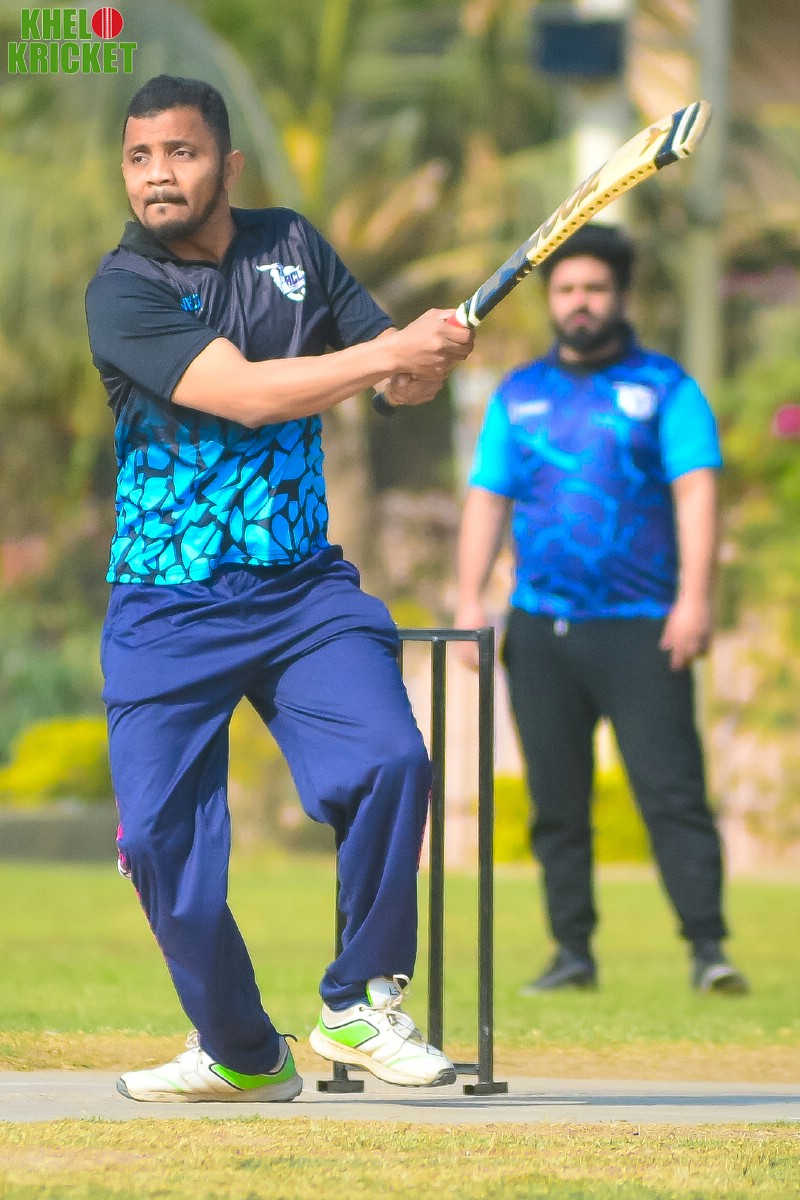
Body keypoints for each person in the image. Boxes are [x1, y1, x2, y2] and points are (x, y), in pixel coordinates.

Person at [85, 74, 474, 1103]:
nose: (158, 175)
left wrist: (422, 363)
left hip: (302, 591)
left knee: (391, 758)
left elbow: (390, 379)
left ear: (228, 164)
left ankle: (359, 1002)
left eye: (180, 153)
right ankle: (242, 1053)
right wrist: (386, 353)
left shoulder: (293, 243)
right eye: (139, 157)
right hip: (165, 605)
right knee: (158, 846)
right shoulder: (122, 290)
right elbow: (251, 396)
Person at [455, 223, 748, 996]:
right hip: (540, 628)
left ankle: (708, 949)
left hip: (644, 624)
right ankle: (572, 952)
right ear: (550, 300)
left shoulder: (666, 388)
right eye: (566, 289)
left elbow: (697, 494)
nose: (579, 302)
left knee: (671, 791)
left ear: (620, 297)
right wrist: (469, 598)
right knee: (556, 802)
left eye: (594, 288)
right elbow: (487, 499)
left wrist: (695, 600)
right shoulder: (519, 395)